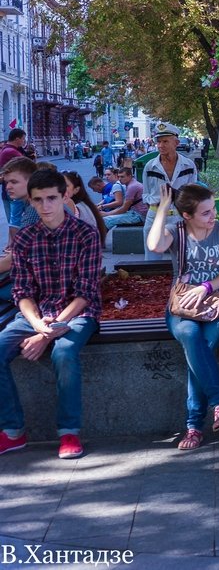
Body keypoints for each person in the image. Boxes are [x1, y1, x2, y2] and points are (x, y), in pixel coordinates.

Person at [0, 169, 102, 459]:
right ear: (30, 202)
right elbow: (22, 292)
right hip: (35, 314)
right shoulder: (25, 239)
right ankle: (12, 431)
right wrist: (38, 326)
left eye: (51, 198)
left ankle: (69, 432)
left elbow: (85, 292)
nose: (46, 206)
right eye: (38, 200)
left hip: (78, 313)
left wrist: (53, 328)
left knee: (63, 354)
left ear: (65, 196)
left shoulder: (85, 234)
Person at [147, 184, 219, 450]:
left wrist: (206, 286)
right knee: (190, 336)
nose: (213, 217)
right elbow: (154, 245)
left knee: (200, 350)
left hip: (216, 304)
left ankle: (193, 427)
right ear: (187, 216)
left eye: (214, 210)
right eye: (206, 213)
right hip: (182, 308)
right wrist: (163, 209)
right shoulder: (177, 231)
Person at [142, 123, 200, 261]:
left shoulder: (188, 165)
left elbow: (193, 193)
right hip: (155, 216)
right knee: (151, 259)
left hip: (179, 217)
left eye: (165, 141)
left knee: (182, 259)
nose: (161, 145)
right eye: (159, 142)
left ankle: (181, 283)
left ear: (176, 143)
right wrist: (155, 205)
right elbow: (145, 193)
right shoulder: (150, 166)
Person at [62, 171, 107, 246]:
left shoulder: (69, 204)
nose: (60, 188)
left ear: (76, 189)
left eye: (65, 185)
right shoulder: (84, 204)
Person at [3, 157, 40, 238]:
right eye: (6, 182)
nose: (7, 187)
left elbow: (21, 246)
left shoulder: (34, 210)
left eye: (14, 182)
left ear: (31, 181)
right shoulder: (33, 202)